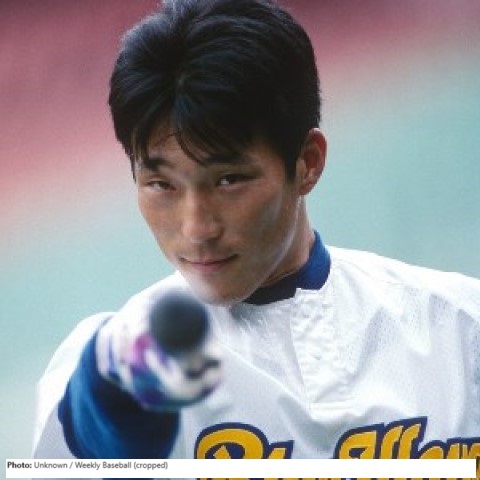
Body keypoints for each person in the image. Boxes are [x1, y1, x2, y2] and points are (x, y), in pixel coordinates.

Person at [33, 0, 480, 470]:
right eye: (161, 184)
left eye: (228, 180)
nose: (196, 227)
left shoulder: (462, 329)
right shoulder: (116, 358)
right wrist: (112, 377)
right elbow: (97, 423)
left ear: (307, 162)